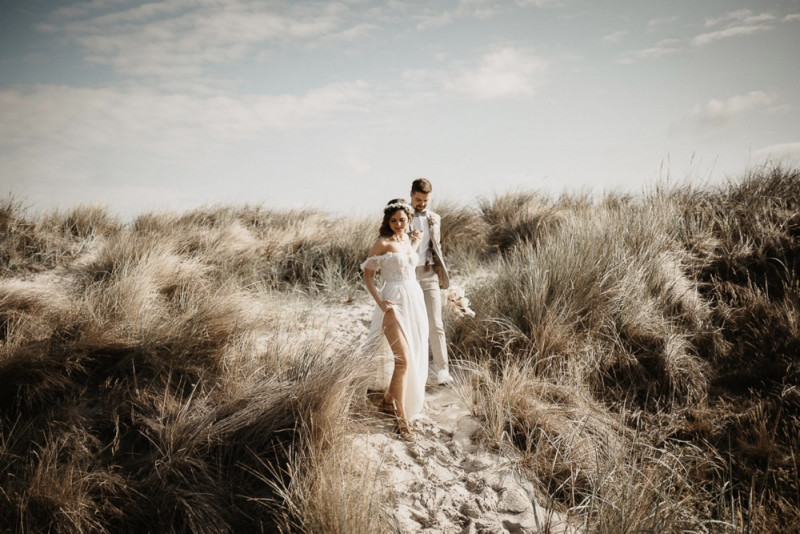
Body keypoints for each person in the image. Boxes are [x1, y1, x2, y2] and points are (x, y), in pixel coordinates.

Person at [361, 199, 429, 440]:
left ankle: (389, 399)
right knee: (402, 361)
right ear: (387, 222)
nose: (398, 224)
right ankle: (401, 421)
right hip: (393, 301)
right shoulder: (382, 243)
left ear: (408, 219)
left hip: (415, 300)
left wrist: (417, 241)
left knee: (414, 351)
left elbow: (410, 258)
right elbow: (367, 276)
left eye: (402, 220)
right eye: (393, 220)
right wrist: (380, 302)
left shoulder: (408, 241)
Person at [409, 178, 454, 386]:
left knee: (436, 323)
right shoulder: (402, 216)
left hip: (429, 273)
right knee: (411, 324)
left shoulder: (435, 218)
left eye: (426, 201)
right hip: (408, 275)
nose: (422, 204)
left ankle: (442, 369)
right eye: (419, 200)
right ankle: (415, 370)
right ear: (411, 195)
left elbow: (438, 246)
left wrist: (439, 269)